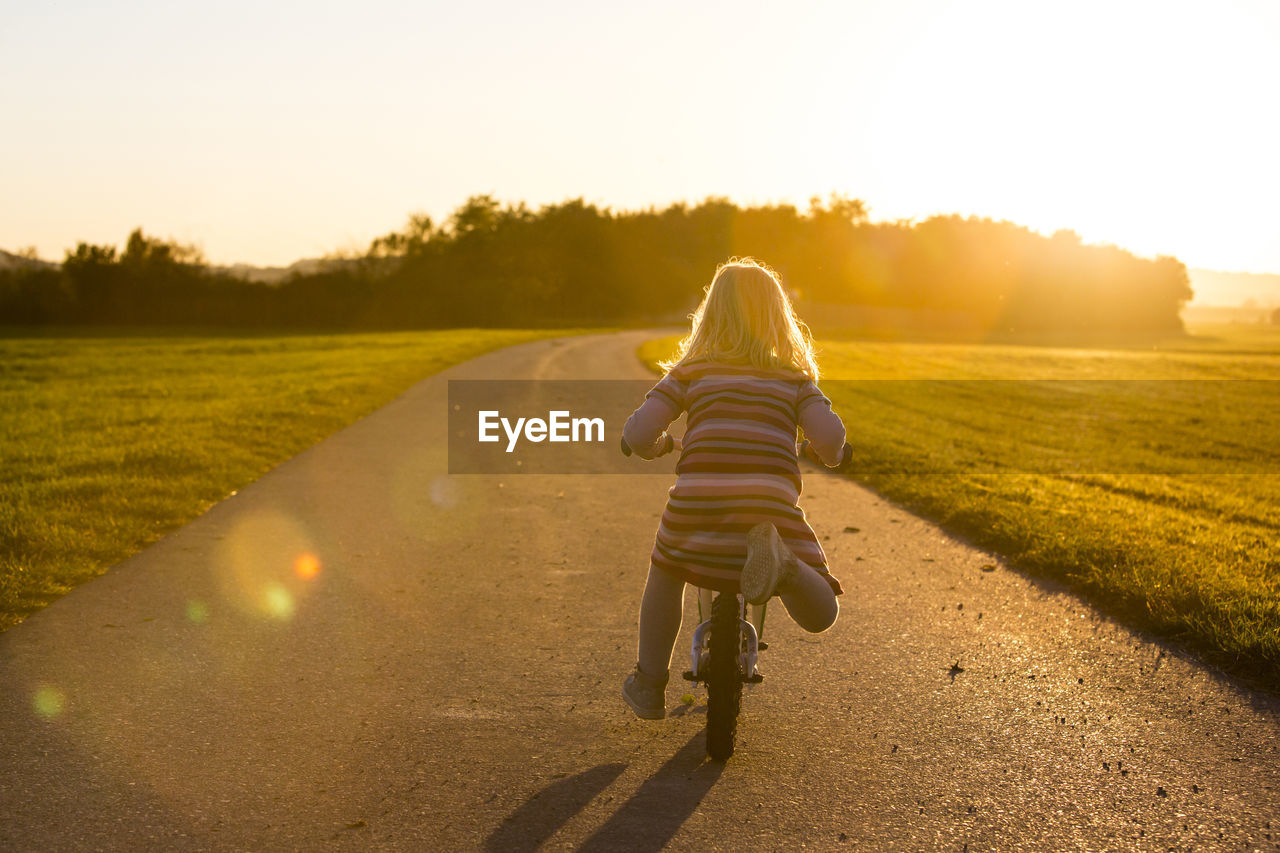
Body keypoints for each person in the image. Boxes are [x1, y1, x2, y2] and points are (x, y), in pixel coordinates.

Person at [620, 257, 849, 720]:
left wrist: (658, 446)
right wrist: (834, 455)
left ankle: (650, 682)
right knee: (821, 611)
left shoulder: (692, 372)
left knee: (666, 573)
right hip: (768, 511)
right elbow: (829, 436)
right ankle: (786, 569)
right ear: (778, 317)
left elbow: (640, 431)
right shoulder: (794, 380)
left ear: (711, 314)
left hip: (696, 508)